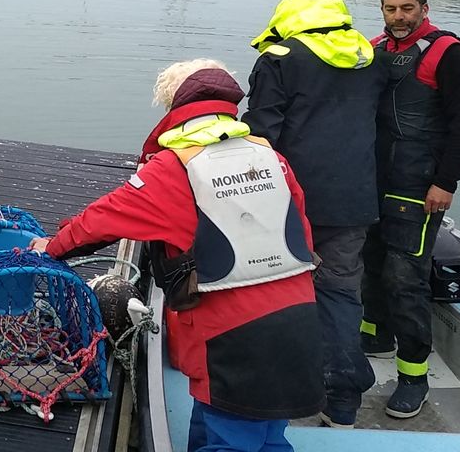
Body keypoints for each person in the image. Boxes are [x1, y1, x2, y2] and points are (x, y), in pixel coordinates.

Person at [30, 60, 323, 452]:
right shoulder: (271, 157)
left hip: (233, 337)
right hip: (298, 318)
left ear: (175, 109)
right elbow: (302, 232)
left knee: (230, 439)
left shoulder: (173, 167)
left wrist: (50, 246)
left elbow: (100, 221)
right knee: (266, 433)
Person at [241, 0, 387, 429]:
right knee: (342, 292)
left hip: (292, 203)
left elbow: (262, 137)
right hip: (354, 202)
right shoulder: (371, 58)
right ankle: (342, 399)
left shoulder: (280, 60)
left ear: (291, 12)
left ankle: (278, 389)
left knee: (279, 290)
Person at [360, 0, 460, 419]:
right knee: (370, 264)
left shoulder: (449, 54)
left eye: (407, 9)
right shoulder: (374, 50)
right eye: (391, 9)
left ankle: (413, 378)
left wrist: (446, 182)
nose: (398, 17)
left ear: (424, 9)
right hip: (373, 183)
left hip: (420, 189)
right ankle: (374, 337)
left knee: (405, 279)